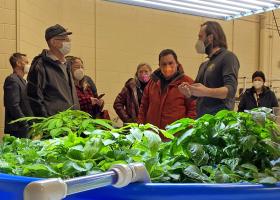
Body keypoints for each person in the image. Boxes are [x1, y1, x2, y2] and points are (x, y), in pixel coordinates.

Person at [178, 21, 240, 118]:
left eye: (200, 37)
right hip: (202, 119)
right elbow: (197, 93)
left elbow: (230, 90)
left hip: (219, 121)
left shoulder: (228, 57)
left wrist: (206, 91)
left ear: (210, 38)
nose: (198, 41)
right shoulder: (204, 64)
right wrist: (188, 91)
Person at [138, 49, 196, 135]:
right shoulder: (152, 83)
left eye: (170, 63)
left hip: (175, 139)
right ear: (159, 66)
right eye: (164, 64)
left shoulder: (188, 83)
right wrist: (140, 129)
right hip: (152, 137)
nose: (167, 67)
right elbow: (143, 107)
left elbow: (193, 110)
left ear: (177, 63)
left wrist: (186, 133)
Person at [27, 24, 80, 117]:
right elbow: (34, 98)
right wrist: (46, 122)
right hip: (54, 126)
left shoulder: (66, 64)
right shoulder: (41, 65)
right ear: (53, 42)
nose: (69, 42)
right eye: (65, 39)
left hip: (72, 123)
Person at [4, 53, 33, 138]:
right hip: (19, 128)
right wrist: (25, 123)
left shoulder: (23, 81)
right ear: (18, 63)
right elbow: (13, 105)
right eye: (26, 62)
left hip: (26, 127)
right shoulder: (12, 80)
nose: (28, 65)